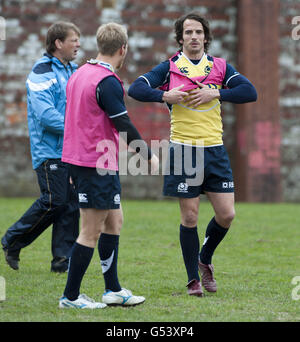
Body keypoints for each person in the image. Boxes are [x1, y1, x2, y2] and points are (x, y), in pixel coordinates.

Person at [128, 12, 257, 297]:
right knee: (190, 218)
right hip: (184, 150)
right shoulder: (169, 68)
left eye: (198, 32)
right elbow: (136, 88)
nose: (194, 37)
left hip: (214, 150)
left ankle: (205, 258)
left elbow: (250, 92)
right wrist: (165, 96)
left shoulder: (220, 67)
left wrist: (217, 93)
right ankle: (192, 281)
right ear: (181, 38)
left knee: (227, 214)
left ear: (206, 37)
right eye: (188, 33)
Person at [59, 22, 159, 309]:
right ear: (122, 49)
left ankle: (113, 290)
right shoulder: (106, 81)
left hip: (94, 162)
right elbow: (122, 122)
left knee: (114, 221)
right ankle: (71, 296)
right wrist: (146, 154)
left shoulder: (79, 74)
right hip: (94, 164)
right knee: (90, 231)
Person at [1, 22, 81, 273]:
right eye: (73, 40)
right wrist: (76, 131)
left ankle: (62, 261)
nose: (78, 44)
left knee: (70, 204)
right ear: (58, 43)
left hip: (71, 149)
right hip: (49, 151)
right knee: (54, 201)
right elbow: (46, 116)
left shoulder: (74, 70)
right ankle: (12, 239)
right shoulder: (41, 71)